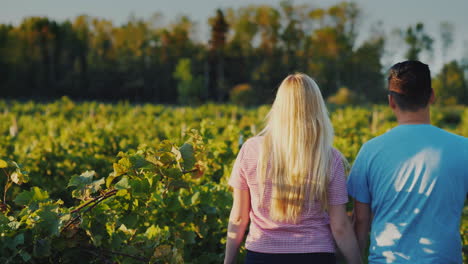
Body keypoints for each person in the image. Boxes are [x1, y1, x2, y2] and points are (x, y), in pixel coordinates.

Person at [224, 73, 362, 264]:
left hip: (262, 255)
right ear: (317, 108)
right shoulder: (330, 157)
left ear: (278, 107)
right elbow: (340, 227)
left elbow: (239, 218)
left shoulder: (251, 150)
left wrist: (228, 262)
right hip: (316, 256)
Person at [347, 60, 468, 264]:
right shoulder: (463, 148)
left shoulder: (370, 150)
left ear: (391, 101)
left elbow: (361, 220)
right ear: (432, 95)